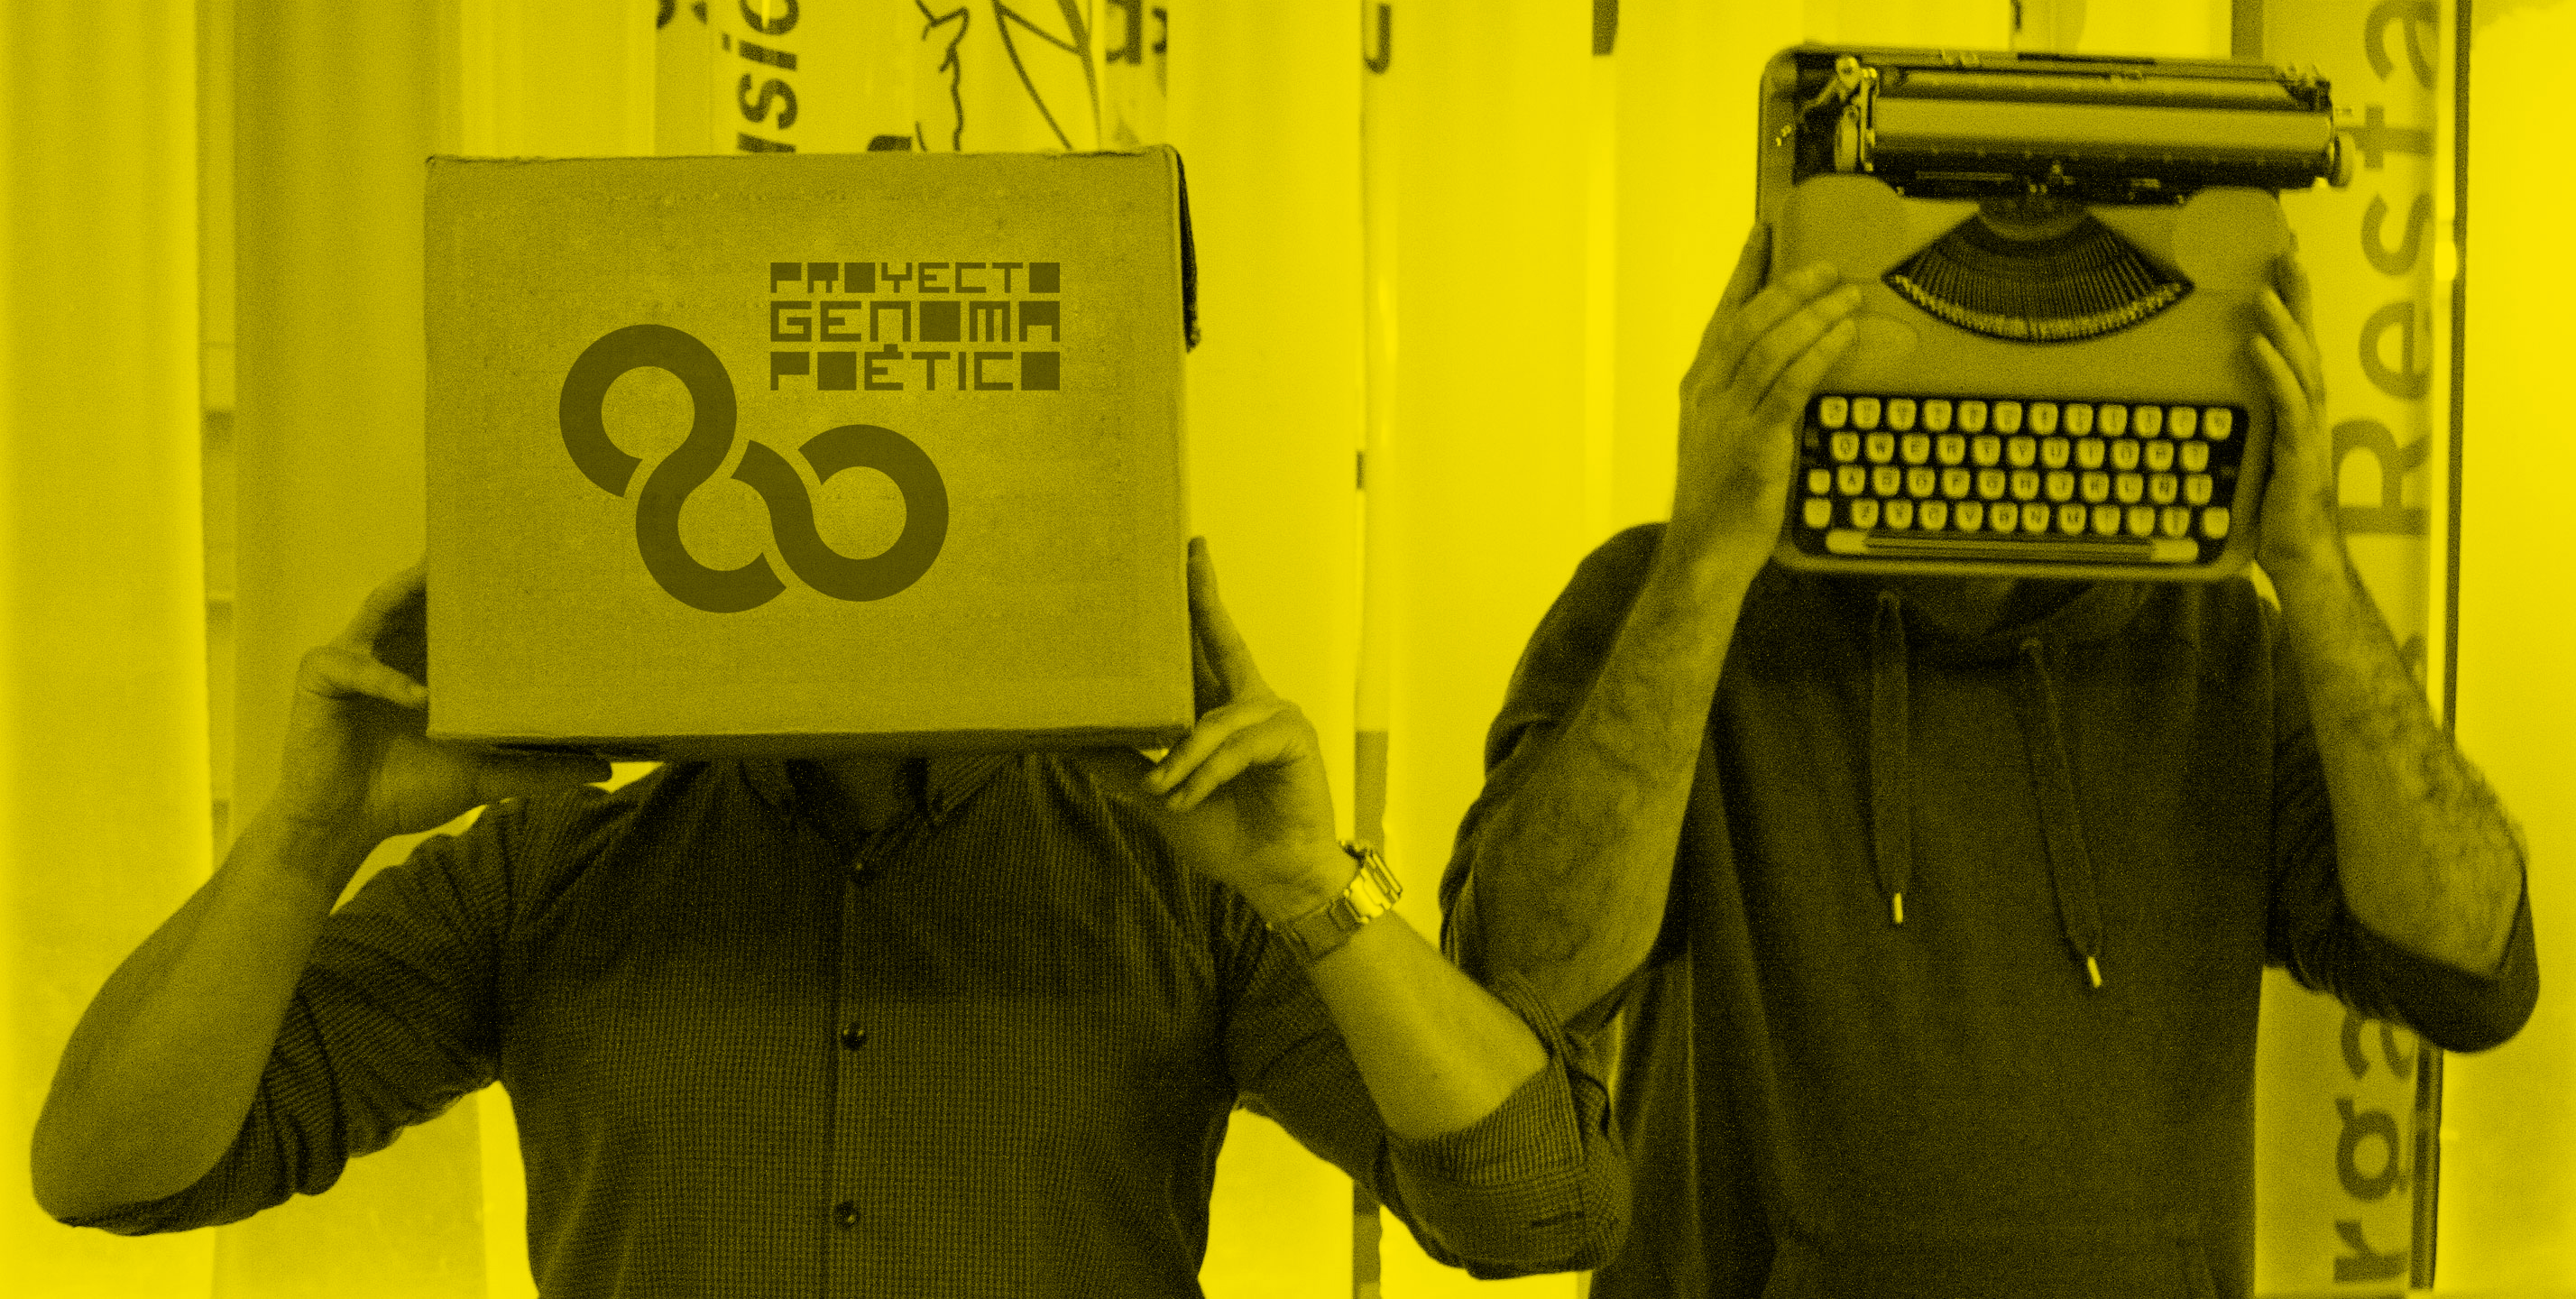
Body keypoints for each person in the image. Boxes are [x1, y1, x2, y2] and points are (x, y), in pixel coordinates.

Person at [35, 538, 1625, 1296]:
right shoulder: (548, 866)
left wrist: (1307, 884)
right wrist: (308, 833)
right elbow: (112, 1171)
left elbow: (1540, 1211)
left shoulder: (1174, 872)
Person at [1439, 226, 2537, 1298]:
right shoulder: (1667, 608)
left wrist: (2311, 558)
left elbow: (2472, 966)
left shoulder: (2225, 642)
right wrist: (1707, 554)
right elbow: (1517, 992)